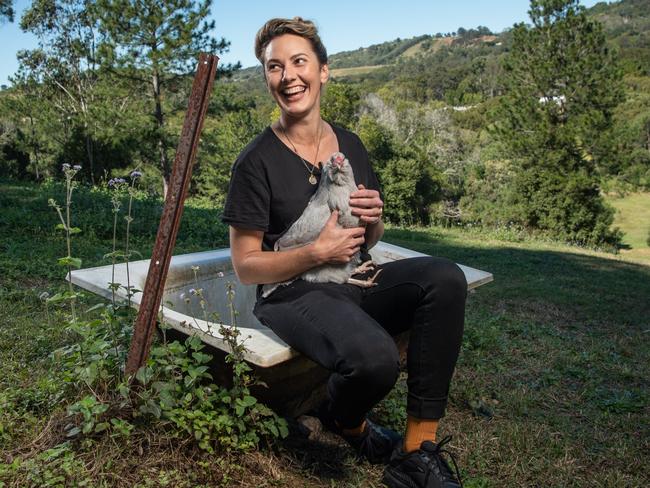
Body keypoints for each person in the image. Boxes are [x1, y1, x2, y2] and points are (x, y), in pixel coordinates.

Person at [222, 16, 468, 488]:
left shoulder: (349, 145)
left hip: (353, 277)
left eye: (299, 62)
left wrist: (373, 218)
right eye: (275, 67)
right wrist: (316, 251)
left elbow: (367, 238)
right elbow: (247, 266)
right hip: (292, 292)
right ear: (267, 78)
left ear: (324, 70)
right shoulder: (255, 162)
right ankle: (346, 421)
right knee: (375, 360)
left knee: (445, 278)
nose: (289, 76)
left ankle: (417, 454)